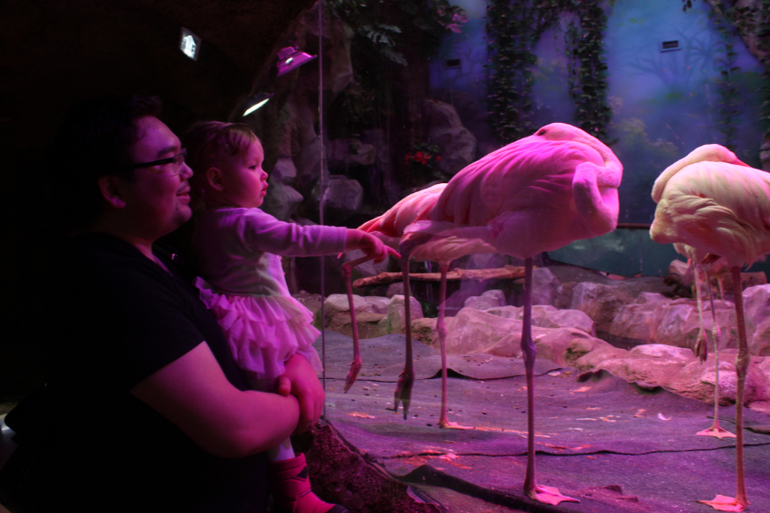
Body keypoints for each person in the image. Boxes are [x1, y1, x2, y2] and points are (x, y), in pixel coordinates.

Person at [0, 96, 321, 513]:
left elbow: (246, 336)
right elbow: (233, 427)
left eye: (183, 158)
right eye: (170, 161)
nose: (188, 172)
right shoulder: (109, 282)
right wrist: (302, 403)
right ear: (113, 189)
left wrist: (296, 363)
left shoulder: (164, 258)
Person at [183, 121, 395, 513]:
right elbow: (297, 238)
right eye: (252, 166)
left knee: (274, 393)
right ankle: (294, 496)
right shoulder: (244, 220)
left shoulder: (206, 223)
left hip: (230, 316)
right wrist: (355, 236)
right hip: (255, 322)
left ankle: (290, 489)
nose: (264, 175)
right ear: (215, 179)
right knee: (274, 397)